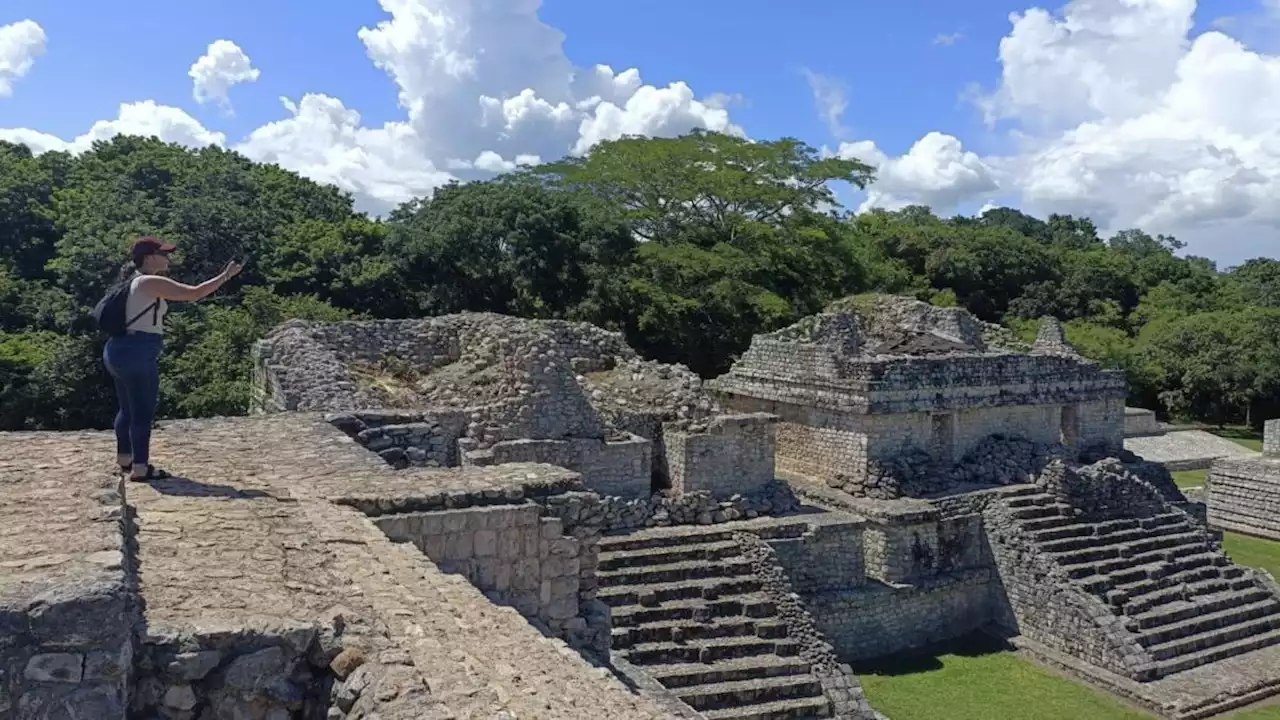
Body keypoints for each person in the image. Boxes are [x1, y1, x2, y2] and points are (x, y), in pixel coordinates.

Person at [103, 236, 242, 482]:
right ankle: (141, 468)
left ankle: (125, 458)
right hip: (138, 351)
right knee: (142, 412)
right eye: (163, 254)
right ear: (148, 258)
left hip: (116, 349)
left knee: (126, 408)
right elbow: (194, 293)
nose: (169, 258)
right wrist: (226, 275)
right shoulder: (149, 281)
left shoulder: (130, 280)